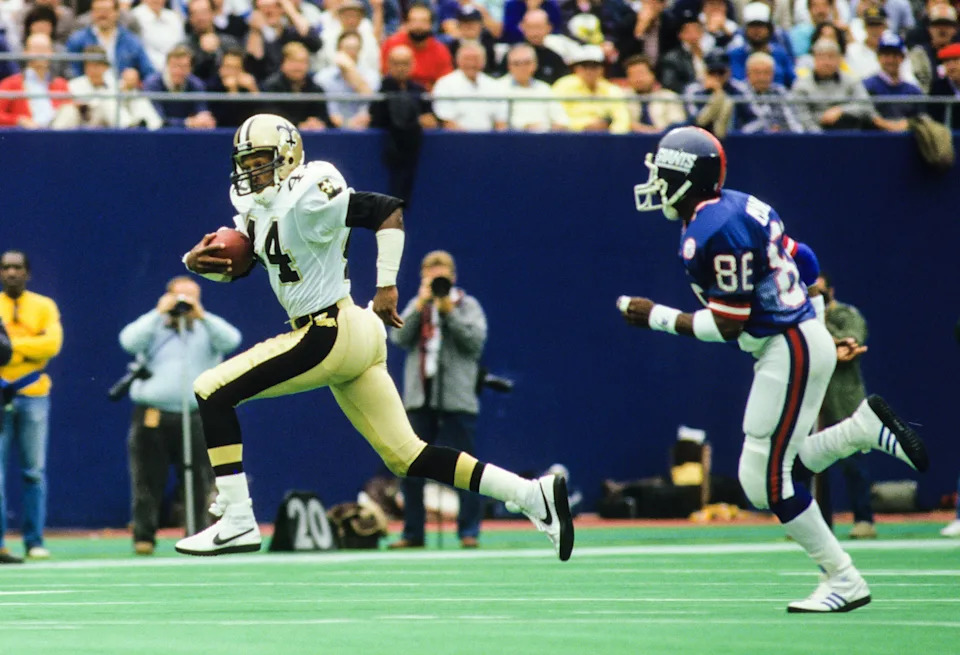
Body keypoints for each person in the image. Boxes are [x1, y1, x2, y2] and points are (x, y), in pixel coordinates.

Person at [174, 113, 574, 562]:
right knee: (408, 456)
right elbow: (249, 259)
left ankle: (237, 518)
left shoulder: (308, 192)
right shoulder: (260, 207)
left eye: (261, 160)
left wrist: (387, 285)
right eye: (247, 163)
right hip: (353, 333)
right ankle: (530, 494)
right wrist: (194, 261)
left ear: (287, 155)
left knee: (211, 390)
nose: (253, 171)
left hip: (328, 330)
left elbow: (386, 210)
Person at [624, 126, 928, 612]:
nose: (656, 181)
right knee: (770, 475)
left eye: (662, 172)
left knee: (765, 483)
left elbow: (728, 323)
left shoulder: (711, 231)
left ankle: (844, 578)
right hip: (794, 341)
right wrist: (816, 321)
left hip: (785, 348)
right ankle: (861, 430)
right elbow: (804, 259)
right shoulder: (741, 205)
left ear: (685, 177)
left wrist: (657, 316)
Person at [119, 276, 242, 556]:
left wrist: (202, 316)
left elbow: (232, 340)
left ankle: (197, 532)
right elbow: (128, 341)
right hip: (153, 414)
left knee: (200, 478)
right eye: (179, 296)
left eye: (191, 297)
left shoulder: (206, 329)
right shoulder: (154, 327)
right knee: (147, 478)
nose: (184, 303)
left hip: (196, 414)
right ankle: (144, 537)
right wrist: (158, 312)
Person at [387, 250, 486, 549]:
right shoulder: (417, 306)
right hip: (420, 398)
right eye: (431, 279)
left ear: (453, 278)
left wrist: (449, 312)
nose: (437, 285)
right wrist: (420, 305)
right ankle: (413, 532)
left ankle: (469, 530)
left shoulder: (468, 306)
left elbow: (474, 343)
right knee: (411, 465)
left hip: (456, 400)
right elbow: (398, 337)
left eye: (442, 279)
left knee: (466, 466)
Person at [0, 250, 63, 563]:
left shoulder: (44, 306)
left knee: (34, 472)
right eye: (6, 268)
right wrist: (30, 347)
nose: (12, 273)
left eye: (17, 267)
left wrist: (9, 346)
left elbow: (52, 345)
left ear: (27, 272)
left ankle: (34, 540)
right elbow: (39, 345)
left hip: (33, 393)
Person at [814, 271, 877, 539]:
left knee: (853, 464)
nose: (815, 296)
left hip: (844, 402)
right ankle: (815, 525)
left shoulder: (845, 314)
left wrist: (820, 326)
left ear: (830, 291)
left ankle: (864, 520)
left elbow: (851, 343)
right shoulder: (799, 318)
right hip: (814, 403)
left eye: (819, 291)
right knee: (810, 467)